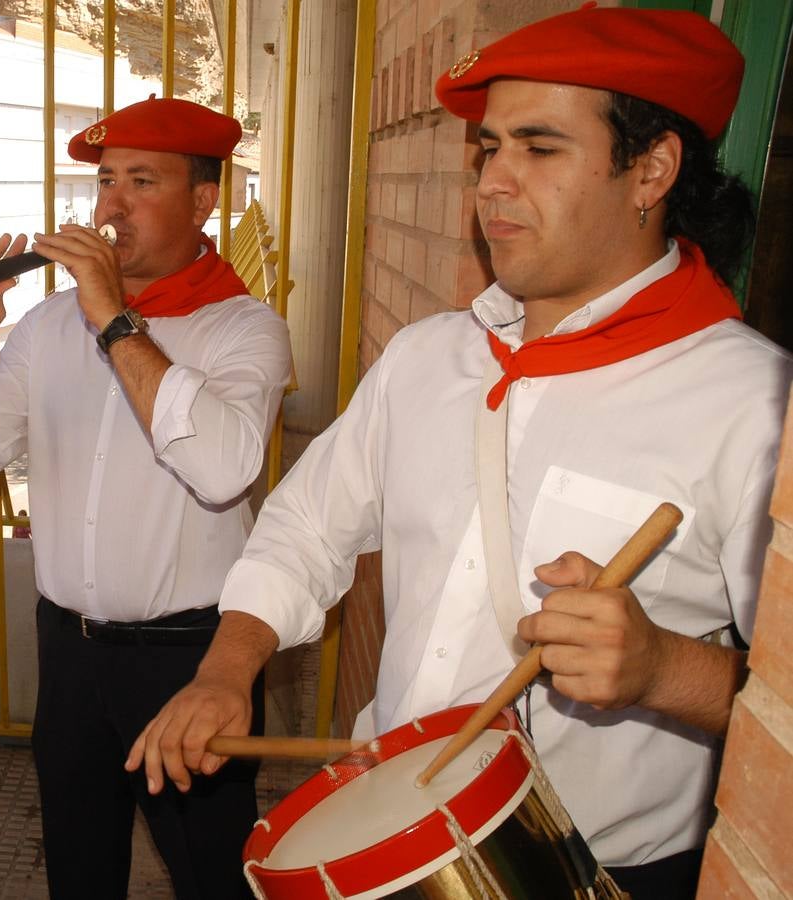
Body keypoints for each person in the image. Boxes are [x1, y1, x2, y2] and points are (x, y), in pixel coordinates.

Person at [127, 8, 793, 899]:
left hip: (604, 871)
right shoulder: (425, 358)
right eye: (488, 150)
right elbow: (305, 528)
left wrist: (665, 668)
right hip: (395, 834)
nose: (493, 183)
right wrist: (225, 670)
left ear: (651, 168)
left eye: (539, 148)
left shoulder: (755, 404)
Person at [0, 97, 293, 899]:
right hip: (69, 650)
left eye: (141, 181)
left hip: (191, 656)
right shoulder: (47, 326)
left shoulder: (244, 329)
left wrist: (113, 316)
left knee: (211, 870)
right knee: (79, 862)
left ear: (204, 199)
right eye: (106, 179)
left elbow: (222, 470)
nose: (109, 204)